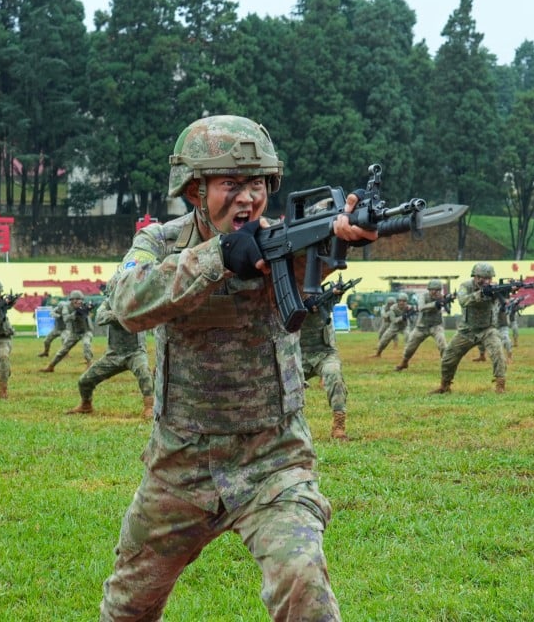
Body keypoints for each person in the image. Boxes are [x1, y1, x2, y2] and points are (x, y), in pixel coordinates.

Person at [97, 115, 374, 620]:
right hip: (179, 468)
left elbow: (325, 242)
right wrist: (219, 256)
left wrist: (342, 235)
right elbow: (125, 302)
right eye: (231, 184)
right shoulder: (159, 244)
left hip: (273, 460)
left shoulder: (285, 239)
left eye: (258, 184)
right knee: (127, 606)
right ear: (195, 190)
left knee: (303, 582)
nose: (247, 198)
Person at [66, 282, 154, 417]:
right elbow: (100, 318)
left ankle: (149, 406)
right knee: (84, 380)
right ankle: (86, 404)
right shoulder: (108, 304)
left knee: (145, 375)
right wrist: (120, 315)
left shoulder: (139, 301)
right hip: (114, 355)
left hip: (135, 352)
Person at [430, 263, 507, 394]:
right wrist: (480, 294)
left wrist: (505, 292)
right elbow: (463, 301)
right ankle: (445, 385)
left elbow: (504, 300)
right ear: (476, 277)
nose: (487, 281)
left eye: (489, 278)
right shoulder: (466, 286)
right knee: (449, 356)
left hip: (488, 329)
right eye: (484, 278)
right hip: (467, 330)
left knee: (498, 353)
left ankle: (500, 386)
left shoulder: (494, 289)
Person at [299, 285, 351, 441]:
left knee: (334, 375)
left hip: (325, 353)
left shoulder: (323, 298)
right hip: (297, 355)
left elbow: (334, 296)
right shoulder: (289, 299)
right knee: (285, 386)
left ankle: (339, 426)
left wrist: (336, 293)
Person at [394, 279, 448, 371]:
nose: (434, 292)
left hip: (436, 326)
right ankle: (404, 362)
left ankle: (447, 364)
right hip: (421, 327)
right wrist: (436, 303)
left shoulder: (441, 297)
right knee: (410, 346)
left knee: (443, 345)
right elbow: (421, 307)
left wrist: (446, 301)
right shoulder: (423, 296)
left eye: (437, 290)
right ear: (429, 290)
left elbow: (447, 309)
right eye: (432, 290)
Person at [40, 290, 93, 372]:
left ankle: (89, 364)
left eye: (79, 299)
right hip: (74, 333)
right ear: (71, 300)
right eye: (74, 299)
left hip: (86, 331)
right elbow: (66, 319)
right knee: (63, 350)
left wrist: (86, 310)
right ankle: (51, 366)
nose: (77, 301)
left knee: (87, 344)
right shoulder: (66, 307)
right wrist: (75, 314)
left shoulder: (84, 306)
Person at [373, 293, 411, 357]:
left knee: (408, 336)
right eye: (400, 301)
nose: (402, 303)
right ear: (397, 301)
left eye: (404, 301)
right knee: (384, 339)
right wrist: (402, 317)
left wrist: (412, 312)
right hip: (394, 326)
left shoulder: (409, 307)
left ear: (406, 302)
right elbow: (393, 320)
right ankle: (378, 353)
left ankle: (407, 354)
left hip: (405, 326)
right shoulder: (393, 308)